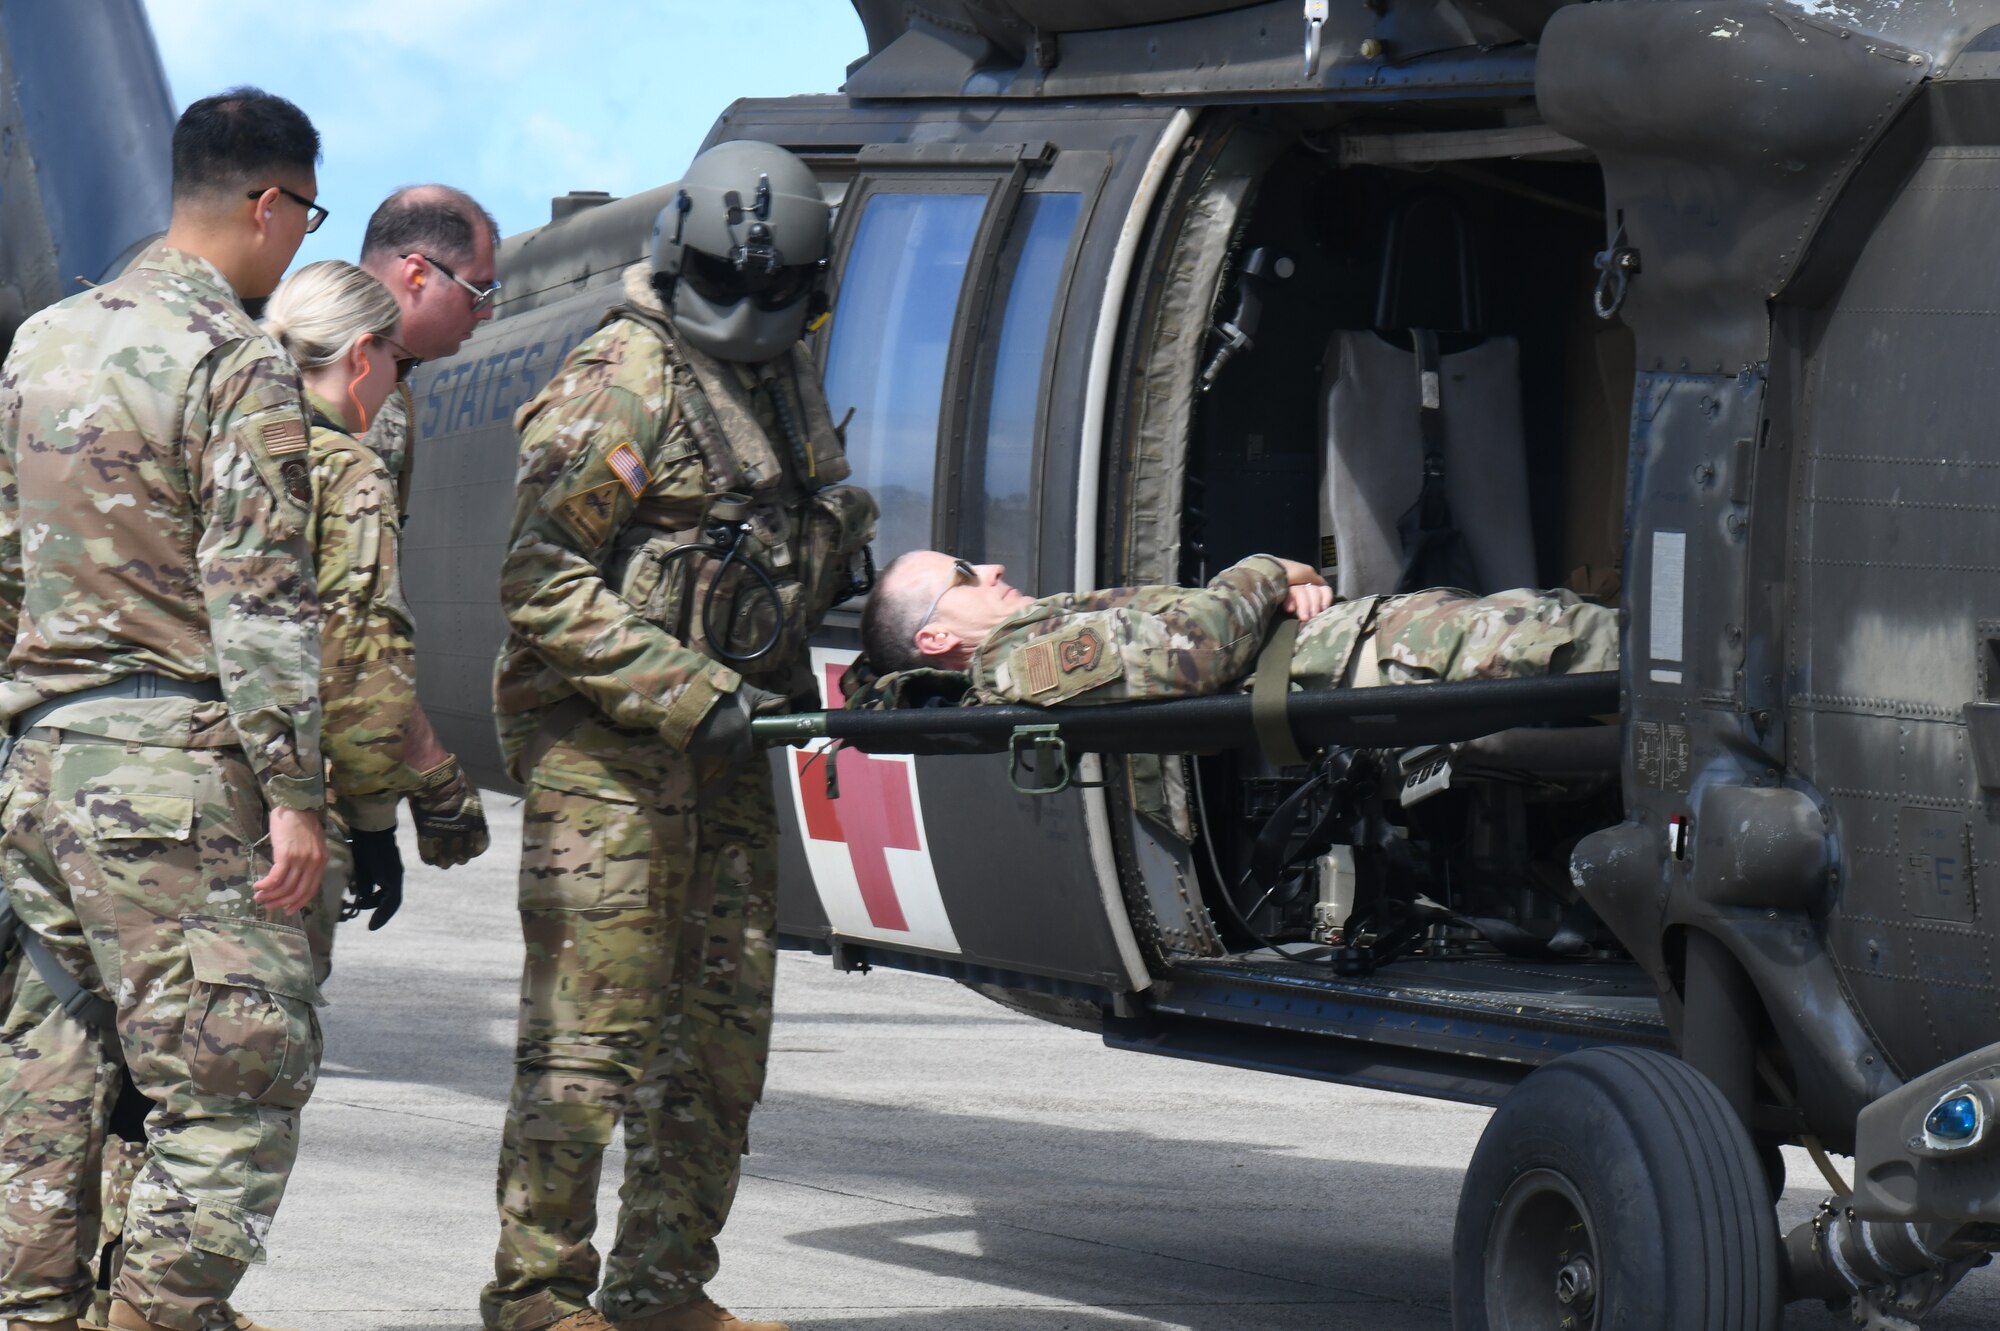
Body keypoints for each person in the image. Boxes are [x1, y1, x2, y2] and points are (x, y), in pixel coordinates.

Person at [484, 140, 875, 1331]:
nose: (750, 312)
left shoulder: (781, 380)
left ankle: (661, 1289)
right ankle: (540, 1296)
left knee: (715, 1040)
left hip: (728, 750)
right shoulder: (621, 379)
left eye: (776, 294)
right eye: (732, 286)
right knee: (585, 1037)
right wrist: (685, 689)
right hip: (611, 759)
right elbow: (542, 581)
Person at [0, 87, 327, 1331]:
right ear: (266, 202)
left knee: (45, 1080)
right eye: (303, 212)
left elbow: (1, 563)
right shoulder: (235, 359)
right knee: (239, 1093)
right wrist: (295, 792)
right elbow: (260, 598)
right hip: (170, 776)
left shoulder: (44, 342)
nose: (299, 238)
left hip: (41, 767)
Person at [265, 259, 493, 972]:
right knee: (255, 1051)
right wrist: (372, 830)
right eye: (398, 360)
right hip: (292, 805)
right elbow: (361, 670)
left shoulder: (217, 446)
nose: (399, 382)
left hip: (161, 776)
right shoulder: (346, 470)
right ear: (362, 354)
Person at [860, 551, 1618, 704]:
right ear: (934, 641)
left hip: (1381, 648)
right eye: (964, 575)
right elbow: (1203, 647)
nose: (989, 568)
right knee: (1601, 645)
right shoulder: (1026, 665)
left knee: (1581, 628)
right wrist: (1267, 569)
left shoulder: (1027, 644)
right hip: (1379, 663)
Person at [356, 184, 501, 513]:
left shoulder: (383, 374)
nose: (486, 311)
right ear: (417, 274)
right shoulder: (318, 371)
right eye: (477, 291)